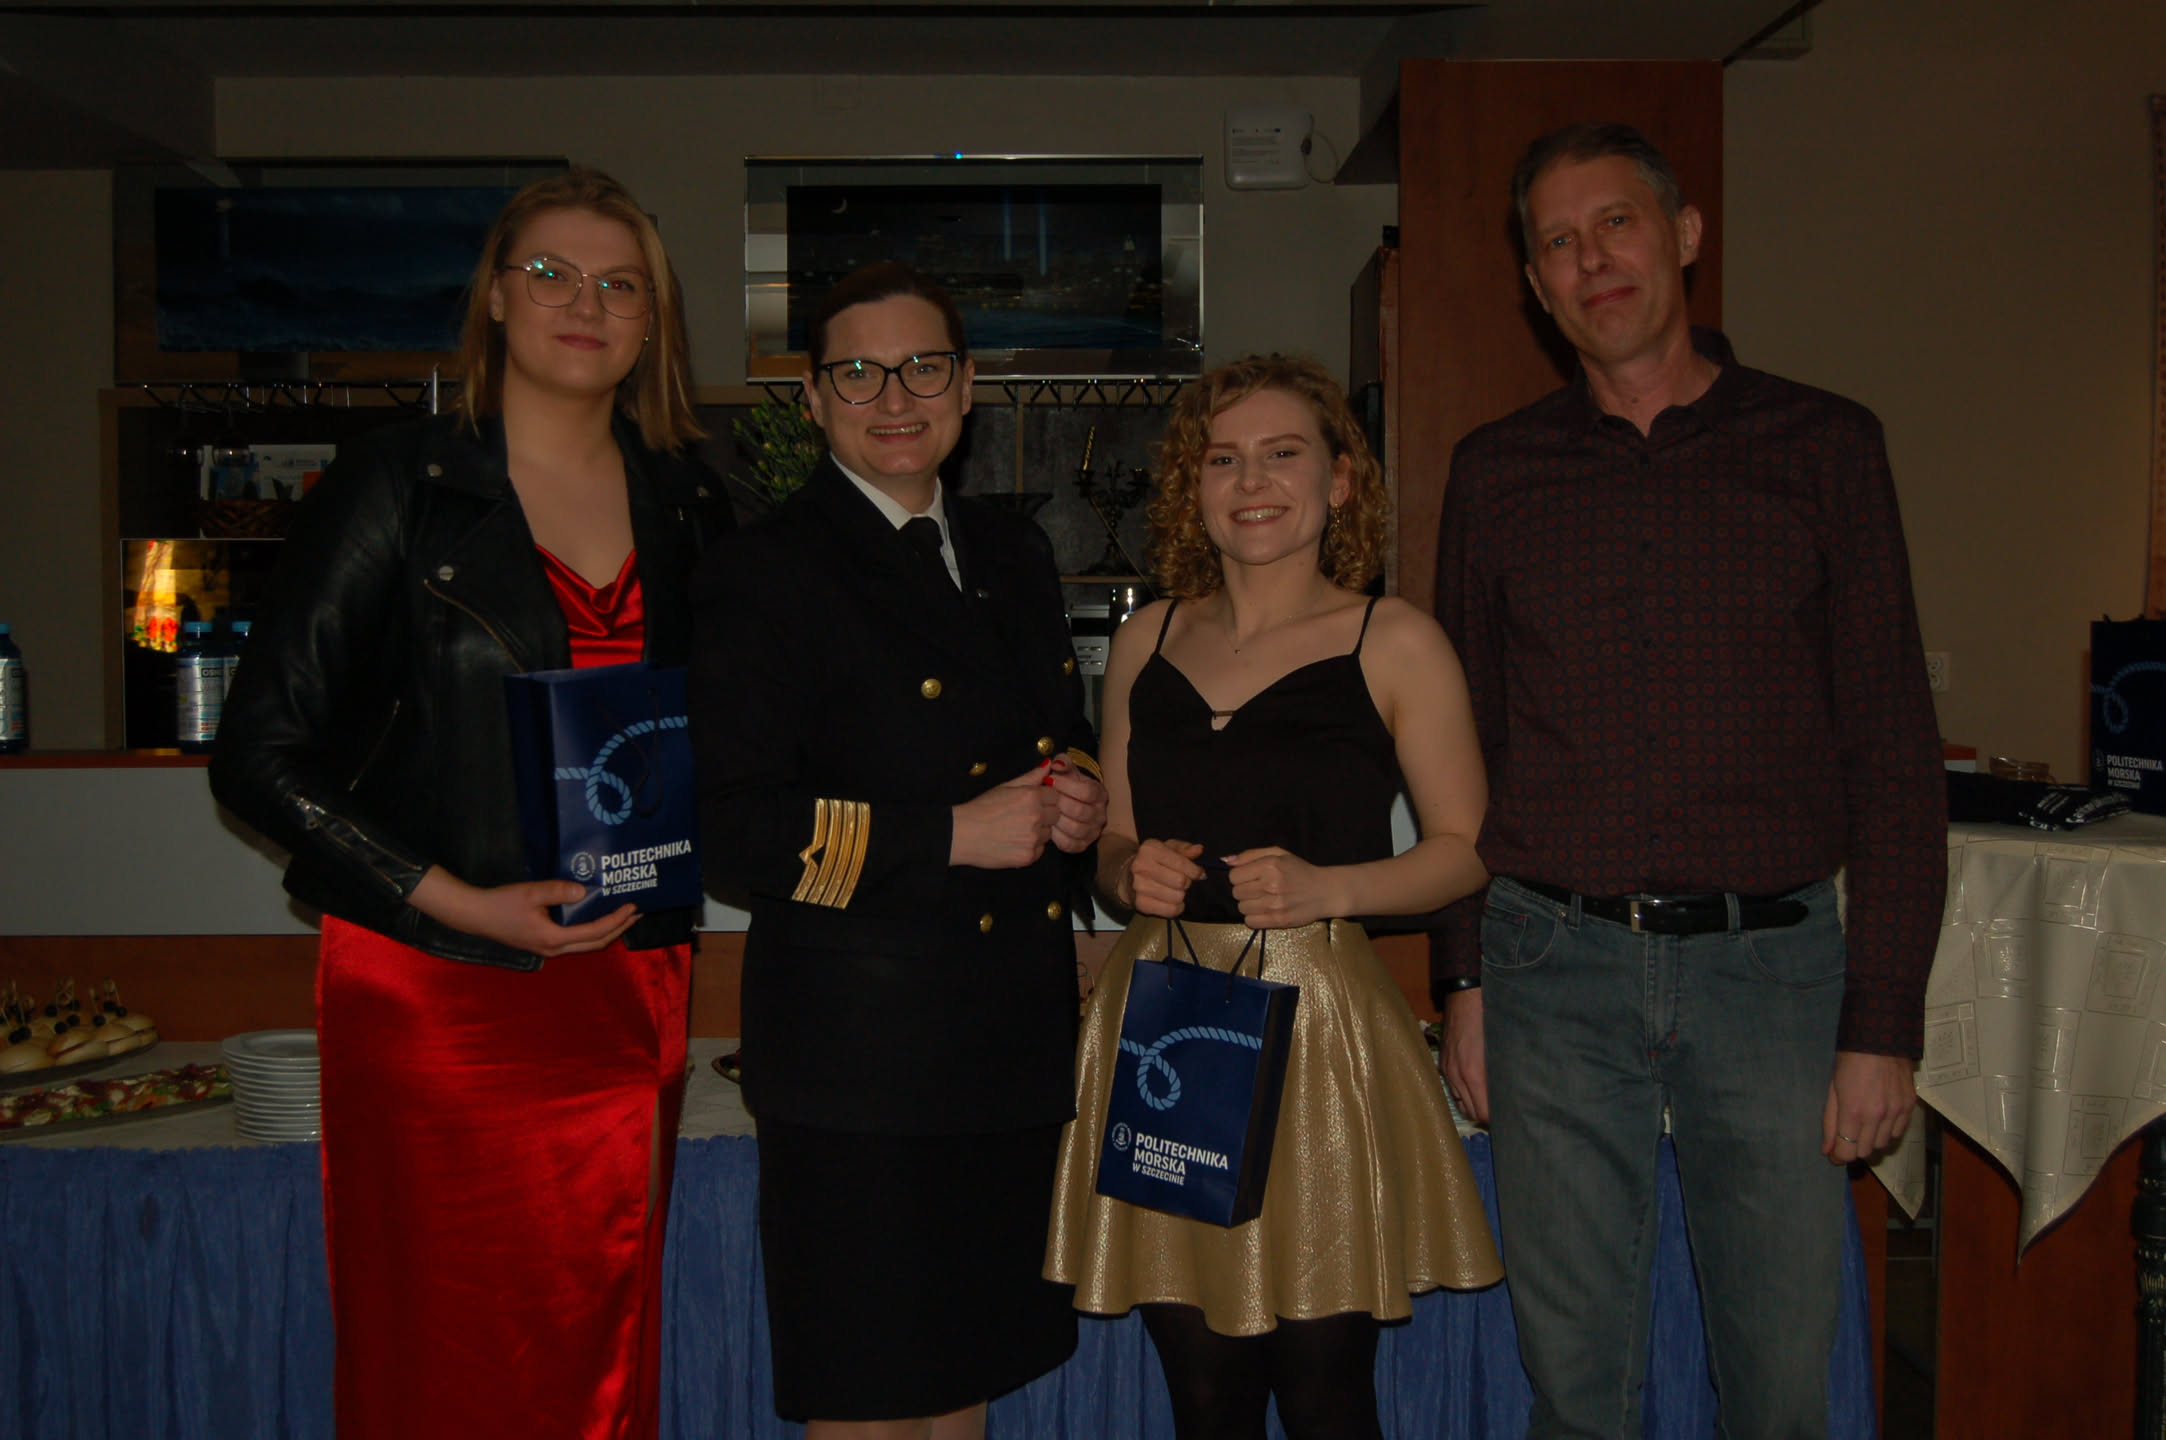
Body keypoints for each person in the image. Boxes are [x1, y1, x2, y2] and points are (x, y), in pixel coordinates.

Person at [1433, 122, 1945, 1440]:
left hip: (1772, 976)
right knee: (1574, 1393)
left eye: (1615, 222)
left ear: (1684, 235)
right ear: (1534, 284)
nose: (1591, 259)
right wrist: (1463, 978)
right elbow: (1464, 753)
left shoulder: (1826, 445)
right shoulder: (1495, 473)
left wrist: (1882, 1022)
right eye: (1557, 242)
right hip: (1550, 969)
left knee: (1780, 1386)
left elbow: (1893, 750)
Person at [208, 168, 718, 1440]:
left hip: (631, 980)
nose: (584, 304)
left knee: (601, 1336)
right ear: (494, 296)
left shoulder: (697, 501)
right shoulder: (395, 482)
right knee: (447, 1345)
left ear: (652, 320)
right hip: (439, 987)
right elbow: (259, 756)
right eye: (551, 273)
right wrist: (458, 904)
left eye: (619, 284)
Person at [1045, 353, 1504, 1440]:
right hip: (1162, 1022)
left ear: (1340, 480)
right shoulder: (1146, 637)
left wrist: (1329, 885)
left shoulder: (1395, 639)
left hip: (1318, 1033)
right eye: (1223, 459)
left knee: (1325, 1394)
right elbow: (1110, 839)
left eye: (1283, 453)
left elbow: (1468, 851)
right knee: (1203, 1397)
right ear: (1193, 486)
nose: (1251, 481)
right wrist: (1126, 870)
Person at [688, 261, 1109, 1439]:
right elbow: (733, 828)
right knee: (869, 1397)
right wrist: (951, 836)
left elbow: (1057, 730)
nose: (894, 398)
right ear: (813, 399)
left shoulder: (1012, 551)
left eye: (923, 367)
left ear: (967, 386)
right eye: (858, 373)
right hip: (859, 1061)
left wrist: (1077, 797)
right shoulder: (762, 571)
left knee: (962, 1384)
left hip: (1005, 1042)